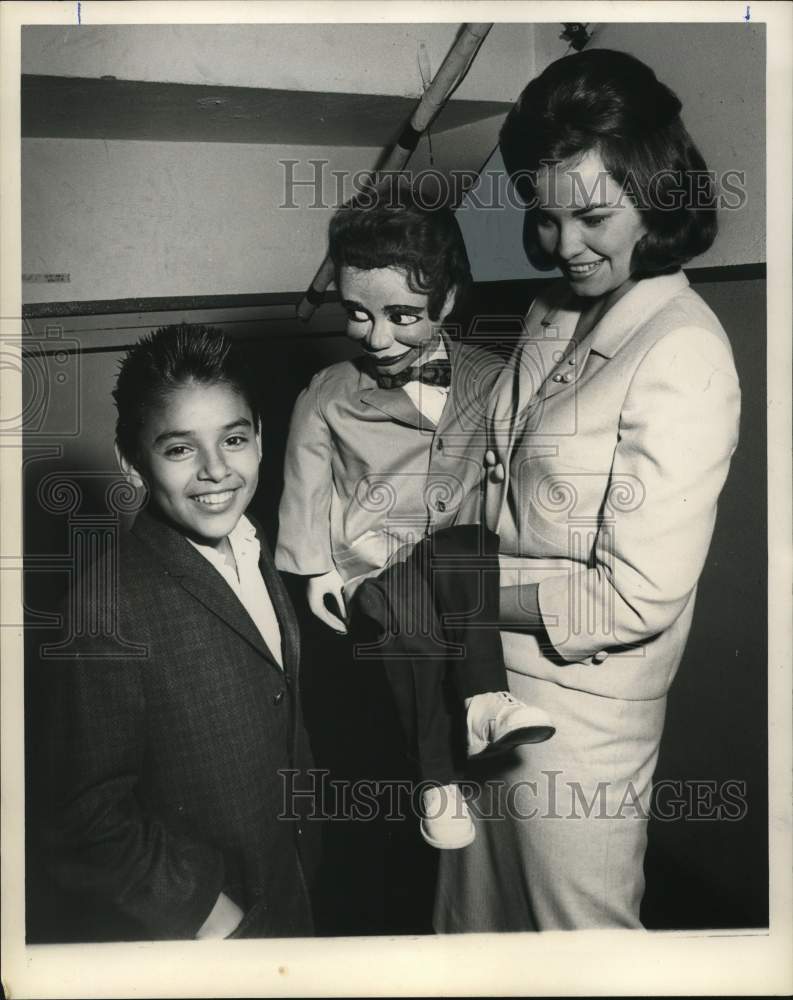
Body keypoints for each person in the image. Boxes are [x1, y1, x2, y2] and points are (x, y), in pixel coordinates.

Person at [433, 49, 741, 931]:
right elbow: (494, 473)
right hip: (484, 685)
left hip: (578, 722)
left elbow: (635, 597)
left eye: (593, 216)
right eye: (545, 215)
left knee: (582, 952)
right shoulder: (554, 309)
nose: (563, 245)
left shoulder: (681, 350)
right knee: (472, 933)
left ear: (656, 193)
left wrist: (459, 590)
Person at [276, 188, 554, 852]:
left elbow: (519, 479)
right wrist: (317, 572)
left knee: (459, 545)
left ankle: (484, 702)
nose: (377, 337)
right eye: (357, 314)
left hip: (461, 567)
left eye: (402, 315)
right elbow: (303, 495)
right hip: (372, 571)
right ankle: (435, 781)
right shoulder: (326, 398)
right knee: (405, 607)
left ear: (448, 301)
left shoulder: (492, 381)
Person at [37, 324, 321, 940]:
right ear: (132, 461)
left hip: (294, 888)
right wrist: (207, 913)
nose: (217, 471)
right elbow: (81, 817)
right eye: (179, 449)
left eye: (234, 439)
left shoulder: (257, 543)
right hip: (220, 934)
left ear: (260, 439)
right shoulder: (103, 611)